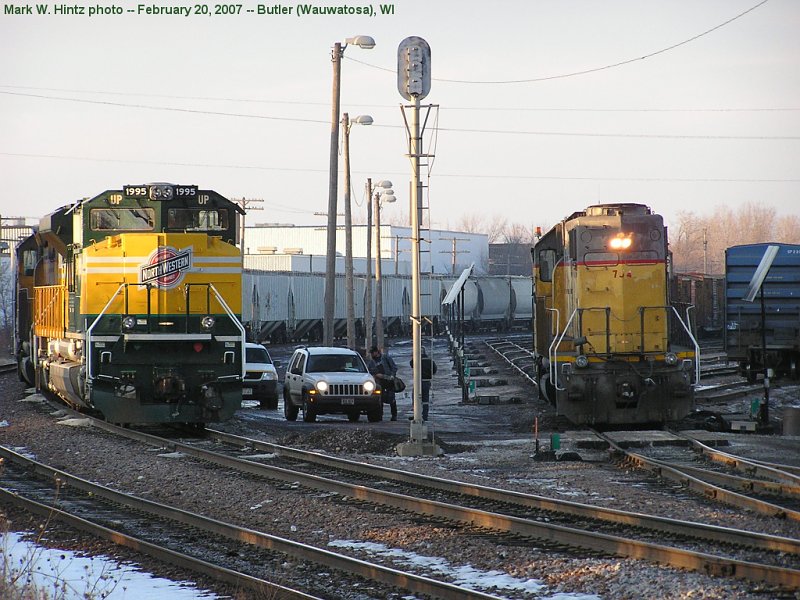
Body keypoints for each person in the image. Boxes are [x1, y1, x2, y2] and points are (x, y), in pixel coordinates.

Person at [367, 345, 398, 421]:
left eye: (373, 353)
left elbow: (394, 367)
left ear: (377, 352)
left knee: (392, 399)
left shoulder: (385, 358)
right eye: (371, 353)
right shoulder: (371, 362)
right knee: (379, 399)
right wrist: (375, 375)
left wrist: (391, 376)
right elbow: (369, 371)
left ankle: (394, 415)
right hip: (379, 382)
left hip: (389, 381)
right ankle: (380, 415)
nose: (372, 355)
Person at [410, 347, 437, 421]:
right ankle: (425, 416)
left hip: (418, 381)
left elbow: (411, 364)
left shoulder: (416, 359)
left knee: (416, 398)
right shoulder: (429, 360)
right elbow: (434, 370)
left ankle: (416, 415)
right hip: (426, 381)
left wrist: (413, 357)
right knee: (425, 399)